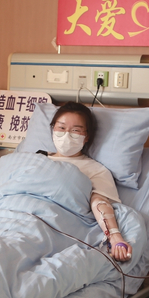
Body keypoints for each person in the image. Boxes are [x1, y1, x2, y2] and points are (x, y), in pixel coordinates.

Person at [46, 102, 132, 262]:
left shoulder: (95, 170)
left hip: (49, 225)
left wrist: (115, 237)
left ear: (86, 136)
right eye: (61, 128)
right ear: (53, 129)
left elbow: (99, 202)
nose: (66, 135)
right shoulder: (33, 159)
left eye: (75, 130)